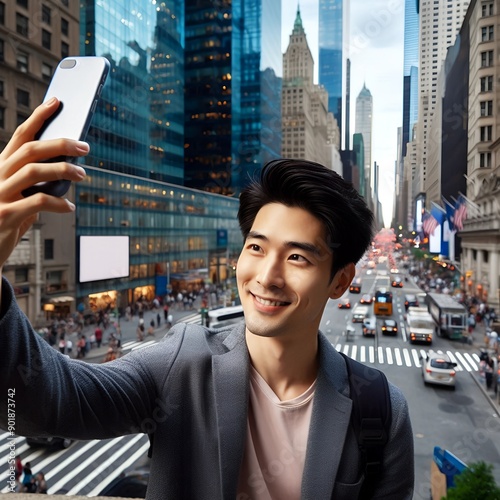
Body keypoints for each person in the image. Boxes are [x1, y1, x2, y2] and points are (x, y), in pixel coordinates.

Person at [0, 102, 413, 499]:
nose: (266, 277)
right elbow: (42, 402)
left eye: (297, 257)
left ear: (339, 281)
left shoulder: (379, 411)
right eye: (256, 248)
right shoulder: (182, 364)